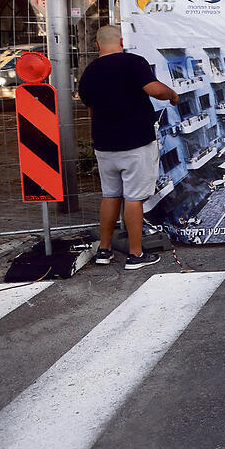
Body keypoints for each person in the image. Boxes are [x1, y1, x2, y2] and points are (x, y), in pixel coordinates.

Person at [78, 25, 179, 269]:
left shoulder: (89, 72)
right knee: (134, 198)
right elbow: (153, 89)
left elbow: (90, 107)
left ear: (97, 45)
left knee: (110, 195)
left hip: (104, 144)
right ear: (121, 41)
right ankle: (136, 254)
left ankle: (104, 250)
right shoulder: (133, 62)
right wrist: (172, 95)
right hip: (135, 142)